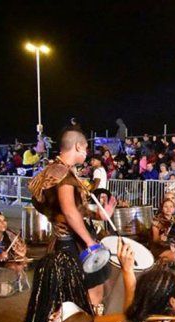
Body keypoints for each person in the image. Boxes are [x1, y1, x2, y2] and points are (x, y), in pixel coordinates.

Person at [28, 126, 116, 308]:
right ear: (78, 146)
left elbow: (41, 202)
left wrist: (98, 214)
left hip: (63, 240)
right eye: (85, 149)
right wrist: (90, 243)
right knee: (92, 294)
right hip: (73, 243)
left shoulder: (52, 170)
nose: (86, 153)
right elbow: (69, 211)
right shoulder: (63, 174)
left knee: (71, 295)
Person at [0, 212, 29, 295]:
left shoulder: (10, 236)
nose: (3, 223)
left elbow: (17, 254)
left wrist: (21, 256)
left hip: (1, 267)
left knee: (17, 266)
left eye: (4, 220)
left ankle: (9, 286)